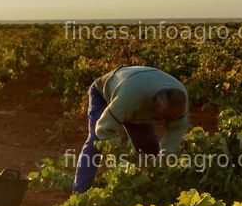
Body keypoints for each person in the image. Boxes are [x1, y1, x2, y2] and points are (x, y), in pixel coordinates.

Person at [72, 65, 189, 193]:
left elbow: (175, 135)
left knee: (149, 149)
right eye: (164, 116)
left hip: (138, 91)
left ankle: (149, 188)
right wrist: (119, 158)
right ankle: (80, 191)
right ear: (156, 105)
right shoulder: (129, 98)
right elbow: (104, 129)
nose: (165, 121)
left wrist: (164, 160)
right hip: (104, 92)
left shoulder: (179, 103)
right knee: (95, 143)